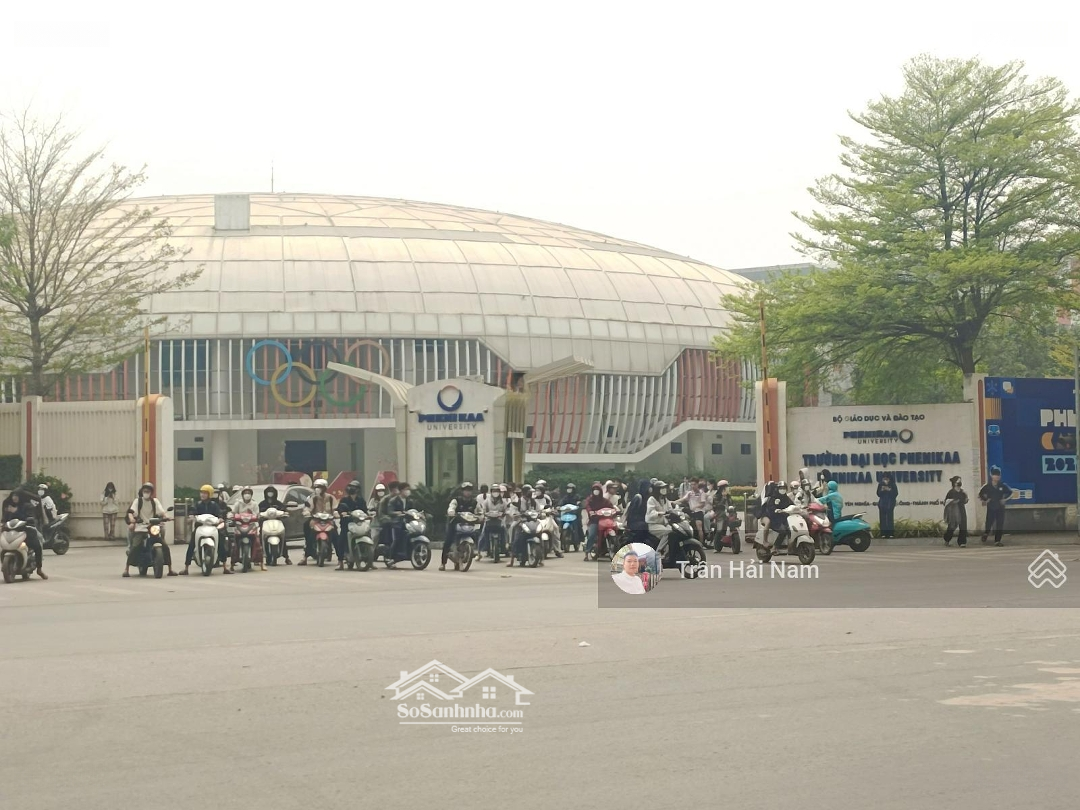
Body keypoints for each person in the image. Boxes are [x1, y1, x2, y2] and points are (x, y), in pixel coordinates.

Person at [123, 482, 176, 577]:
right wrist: (132, 519)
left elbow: (162, 512)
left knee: (165, 546)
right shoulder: (138, 501)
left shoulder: (155, 501)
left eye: (148, 491)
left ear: (151, 492)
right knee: (135, 546)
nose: (146, 493)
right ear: (142, 491)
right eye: (145, 491)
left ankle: (170, 569)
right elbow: (131, 512)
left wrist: (166, 517)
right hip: (141, 527)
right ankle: (126, 569)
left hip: (152, 527)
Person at [182, 484, 228, 574]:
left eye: (205, 493)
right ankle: (186, 568)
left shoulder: (214, 505)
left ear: (209, 494)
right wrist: (191, 516)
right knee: (191, 545)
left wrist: (220, 518)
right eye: (201, 493)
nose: (202, 495)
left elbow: (219, 514)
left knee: (221, 543)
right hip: (199, 527)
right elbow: (192, 511)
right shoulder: (197, 504)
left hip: (212, 527)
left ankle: (225, 567)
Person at [2, 488, 47, 579]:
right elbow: (5, 519)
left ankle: (39, 569)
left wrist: (16, 512)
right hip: (13, 533)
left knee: (37, 546)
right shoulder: (10, 506)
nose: (14, 498)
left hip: (26, 531)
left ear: (21, 497)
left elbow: (30, 517)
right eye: (13, 496)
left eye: (16, 496)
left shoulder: (27, 506)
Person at [300, 478, 340, 568]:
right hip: (316, 520)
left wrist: (336, 514)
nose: (318, 489)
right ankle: (305, 557)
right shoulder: (313, 498)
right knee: (310, 535)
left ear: (325, 488)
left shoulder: (330, 498)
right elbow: (308, 508)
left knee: (335, 536)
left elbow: (335, 508)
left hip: (328, 520)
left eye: (320, 487)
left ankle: (340, 558)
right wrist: (306, 512)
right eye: (316, 487)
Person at [443, 482, 479, 571]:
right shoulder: (456, 500)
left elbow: (480, 511)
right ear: (462, 491)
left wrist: (481, 516)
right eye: (466, 490)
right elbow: (451, 508)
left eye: (469, 490)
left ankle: (476, 552)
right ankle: (443, 563)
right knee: (448, 540)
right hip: (455, 523)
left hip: (469, 524)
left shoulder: (474, 502)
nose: (468, 492)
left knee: (476, 535)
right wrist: (451, 512)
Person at [231, 487, 265, 571]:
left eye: (248, 493)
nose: (247, 495)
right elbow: (233, 513)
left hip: (252, 525)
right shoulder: (238, 503)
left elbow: (257, 514)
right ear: (242, 495)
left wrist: (257, 516)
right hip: (240, 525)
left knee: (258, 542)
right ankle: (232, 563)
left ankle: (262, 563)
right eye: (245, 493)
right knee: (233, 543)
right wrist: (231, 516)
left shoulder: (254, 504)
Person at [978, 466, 1013, 546]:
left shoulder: (1002, 485)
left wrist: (1005, 500)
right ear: (991, 475)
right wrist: (985, 500)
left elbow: (1011, 493)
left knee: (1000, 524)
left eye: (998, 475)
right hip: (991, 507)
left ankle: (997, 541)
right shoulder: (987, 486)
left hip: (1000, 508)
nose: (997, 477)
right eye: (995, 475)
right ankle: (986, 533)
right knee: (989, 523)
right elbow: (980, 494)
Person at [258, 486, 292, 564]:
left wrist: (285, 513)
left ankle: (286, 557)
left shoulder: (278, 504)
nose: (270, 494)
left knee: (283, 537)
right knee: (259, 537)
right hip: (265, 523)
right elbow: (258, 512)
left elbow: (284, 510)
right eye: (268, 492)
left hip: (277, 522)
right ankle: (259, 557)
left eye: (272, 492)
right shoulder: (262, 504)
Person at [336, 480, 366, 562]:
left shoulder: (361, 500)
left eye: (354, 487)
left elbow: (365, 511)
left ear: (358, 489)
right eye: (350, 487)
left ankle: (369, 559)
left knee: (368, 533)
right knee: (341, 539)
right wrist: (343, 513)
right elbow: (340, 509)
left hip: (359, 523)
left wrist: (368, 516)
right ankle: (340, 561)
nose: (352, 489)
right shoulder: (344, 500)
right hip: (347, 523)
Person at [386, 482, 415, 567]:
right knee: (396, 540)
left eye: (409, 489)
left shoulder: (410, 501)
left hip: (408, 523)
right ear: (401, 490)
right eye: (406, 489)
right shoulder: (393, 500)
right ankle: (390, 558)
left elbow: (412, 510)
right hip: (396, 523)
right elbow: (390, 512)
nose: (408, 491)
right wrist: (397, 513)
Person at [583, 481, 614, 558]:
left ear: (601, 491)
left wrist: (616, 510)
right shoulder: (590, 500)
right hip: (594, 521)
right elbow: (587, 506)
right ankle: (587, 552)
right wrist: (590, 512)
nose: (596, 491)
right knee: (592, 535)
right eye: (594, 489)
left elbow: (611, 506)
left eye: (597, 489)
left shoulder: (604, 500)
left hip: (605, 520)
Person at [761, 481, 795, 549]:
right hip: (774, 520)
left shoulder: (786, 498)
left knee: (791, 530)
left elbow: (792, 505)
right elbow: (770, 508)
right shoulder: (773, 498)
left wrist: (797, 508)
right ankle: (775, 547)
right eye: (781, 488)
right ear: (777, 489)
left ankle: (790, 547)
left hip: (784, 519)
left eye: (784, 488)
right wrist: (775, 510)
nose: (782, 490)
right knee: (783, 531)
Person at [943, 476, 969, 547]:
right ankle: (947, 539)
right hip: (953, 511)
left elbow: (965, 501)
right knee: (952, 526)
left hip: (962, 510)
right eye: (958, 481)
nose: (960, 482)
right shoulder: (951, 492)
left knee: (963, 526)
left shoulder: (962, 492)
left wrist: (966, 496)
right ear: (954, 483)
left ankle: (962, 542)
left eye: (960, 481)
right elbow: (945, 502)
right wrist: (953, 501)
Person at [645, 480, 670, 551]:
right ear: (657, 489)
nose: (664, 489)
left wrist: (679, 511)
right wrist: (659, 513)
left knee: (675, 532)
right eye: (662, 488)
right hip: (654, 524)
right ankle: (659, 551)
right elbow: (650, 512)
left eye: (664, 488)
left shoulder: (665, 499)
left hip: (664, 523)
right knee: (668, 532)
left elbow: (670, 509)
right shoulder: (651, 499)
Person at [558, 482, 583, 548]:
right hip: (566, 514)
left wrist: (578, 506)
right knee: (561, 522)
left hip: (575, 514)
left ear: (573, 489)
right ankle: (562, 540)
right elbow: (561, 502)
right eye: (568, 488)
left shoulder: (577, 497)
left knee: (578, 525)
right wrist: (559, 506)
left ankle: (579, 539)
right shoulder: (565, 497)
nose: (569, 490)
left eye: (570, 489)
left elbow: (580, 504)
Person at [877, 473, 899, 539]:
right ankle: (883, 534)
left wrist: (889, 490)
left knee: (890, 518)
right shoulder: (880, 484)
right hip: (882, 504)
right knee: (882, 519)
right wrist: (882, 490)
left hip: (890, 503)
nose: (885, 480)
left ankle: (891, 534)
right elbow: (878, 494)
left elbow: (895, 494)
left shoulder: (893, 484)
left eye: (886, 479)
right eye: (884, 479)